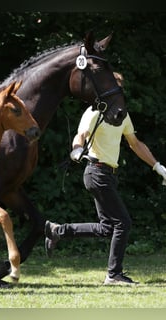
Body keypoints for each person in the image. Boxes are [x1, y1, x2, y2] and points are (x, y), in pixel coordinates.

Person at [44, 73, 166, 285]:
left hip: (108, 175)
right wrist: (77, 149)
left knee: (107, 227)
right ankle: (114, 274)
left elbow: (135, 144)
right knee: (123, 223)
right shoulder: (94, 113)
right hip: (97, 172)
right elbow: (80, 136)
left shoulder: (122, 116)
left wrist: (157, 166)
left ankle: (57, 231)